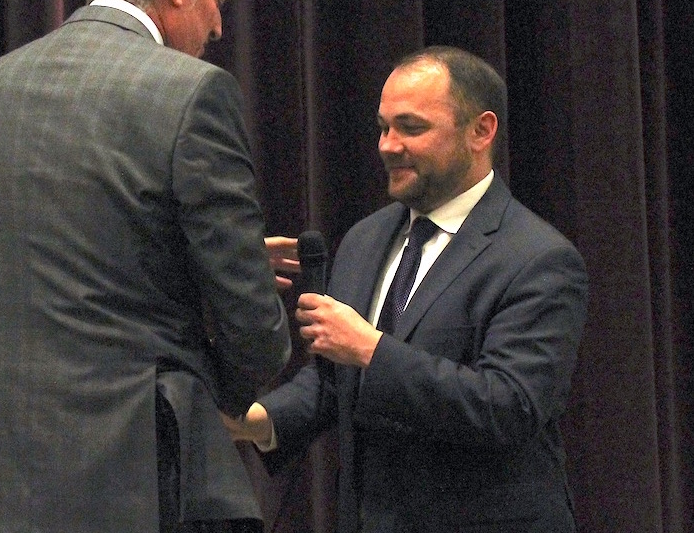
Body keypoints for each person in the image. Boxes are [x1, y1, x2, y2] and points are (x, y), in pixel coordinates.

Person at [0, 0, 295, 533]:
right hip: (134, 476)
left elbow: (54, 269)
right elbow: (253, 336)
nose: (219, 27)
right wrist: (224, 322)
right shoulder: (192, 94)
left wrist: (186, 266)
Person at [227, 46, 589, 532]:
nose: (387, 145)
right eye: (383, 127)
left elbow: (510, 406)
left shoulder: (538, 259)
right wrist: (257, 421)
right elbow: (338, 379)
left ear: (481, 131)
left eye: (411, 128)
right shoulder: (365, 239)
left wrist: (372, 350)